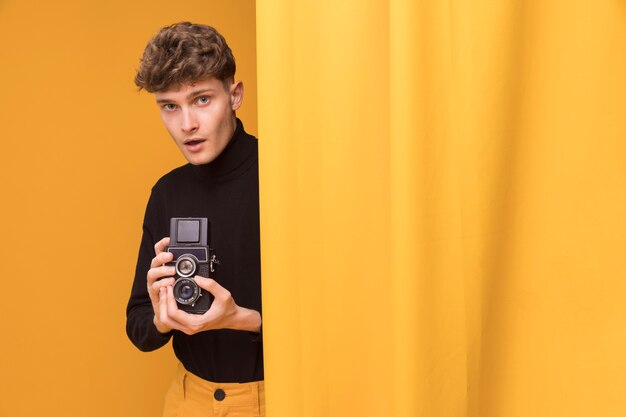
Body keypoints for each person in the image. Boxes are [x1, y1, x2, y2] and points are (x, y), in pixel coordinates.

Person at [125, 22, 264, 417]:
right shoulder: (166, 193)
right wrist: (160, 317)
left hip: (277, 397)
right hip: (188, 401)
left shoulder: (283, 179)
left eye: (201, 99)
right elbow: (139, 328)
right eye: (170, 106)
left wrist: (244, 320)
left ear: (234, 95)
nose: (186, 124)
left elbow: (334, 324)